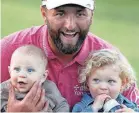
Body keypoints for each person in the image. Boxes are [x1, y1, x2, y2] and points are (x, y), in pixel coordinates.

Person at [1, 0, 139, 111]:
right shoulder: (8, 50)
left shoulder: (112, 61)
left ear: (92, 15)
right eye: (60, 13)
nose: (70, 26)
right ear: (44, 14)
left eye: (80, 14)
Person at [0, 45, 69, 112]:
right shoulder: (4, 90)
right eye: (17, 69)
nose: (21, 75)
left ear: (43, 76)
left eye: (30, 70)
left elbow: (62, 105)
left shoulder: (49, 88)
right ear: (10, 71)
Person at [72, 49, 139, 112]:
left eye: (111, 81)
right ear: (87, 82)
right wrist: (93, 109)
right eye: (96, 80)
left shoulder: (128, 106)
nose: (103, 87)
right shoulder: (81, 107)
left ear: (123, 84)